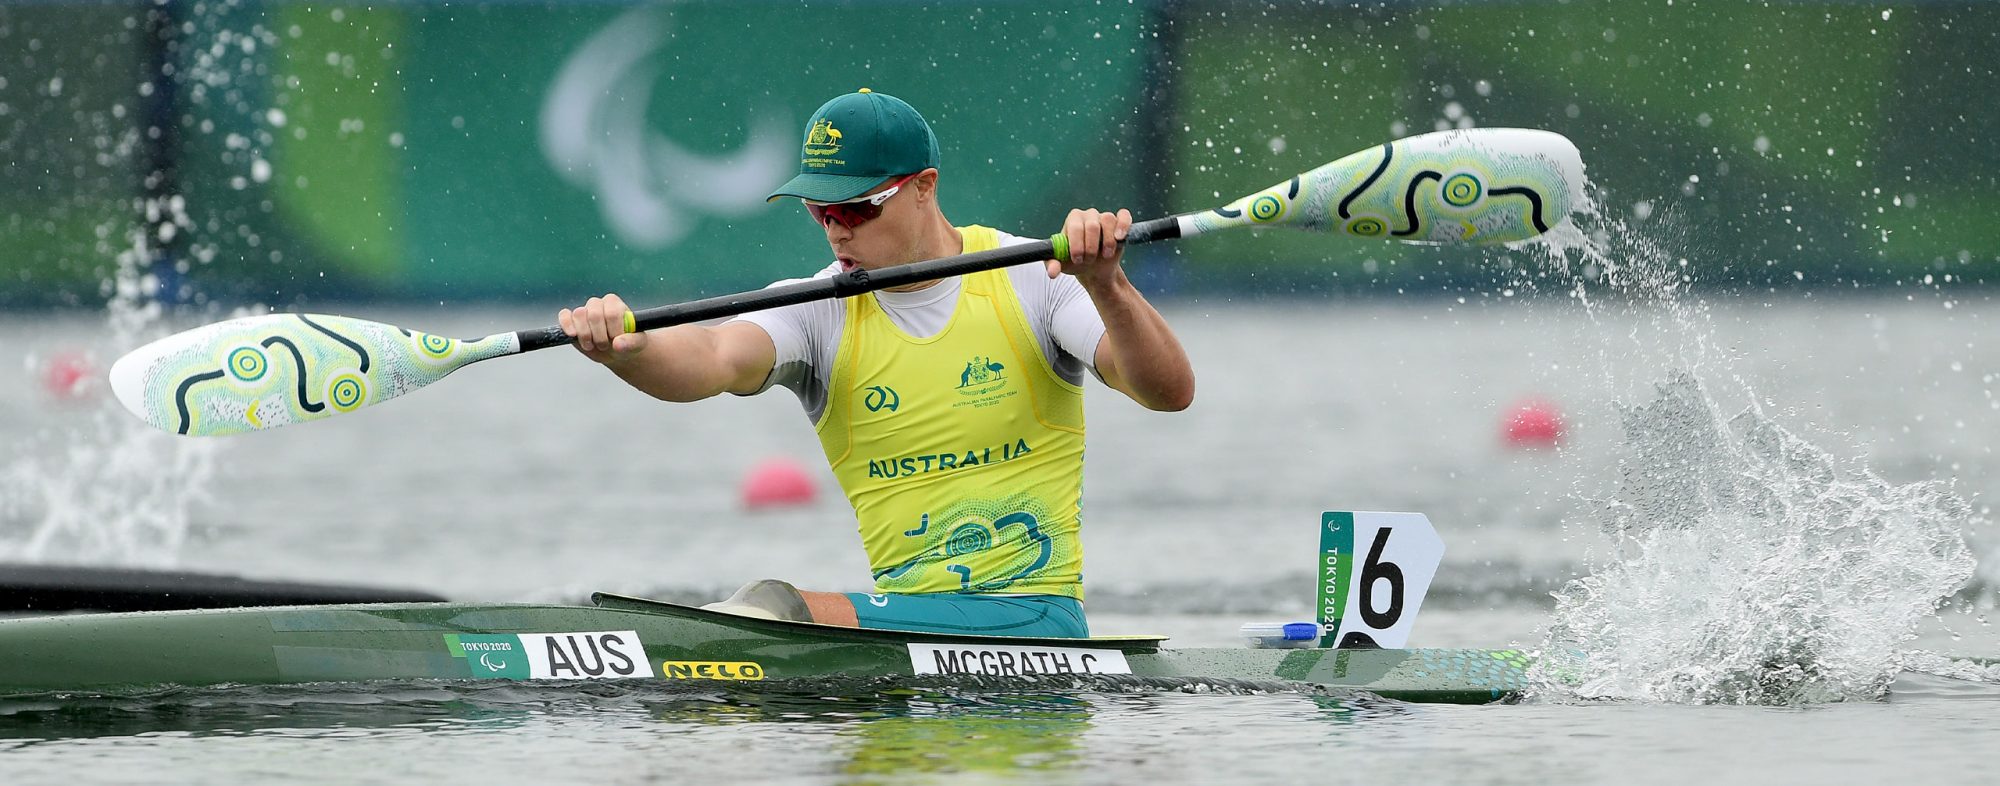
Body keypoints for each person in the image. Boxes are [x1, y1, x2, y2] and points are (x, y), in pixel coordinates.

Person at [558, 89, 1193, 638]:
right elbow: (713, 357)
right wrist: (632, 350)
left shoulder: (1035, 278)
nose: (837, 231)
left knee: (775, 608)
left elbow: (1168, 391)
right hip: (905, 646)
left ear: (924, 187)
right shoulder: (814, 311)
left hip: (1035, 621)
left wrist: (1109, 286)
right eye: (820, 211)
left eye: (857, 208)